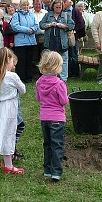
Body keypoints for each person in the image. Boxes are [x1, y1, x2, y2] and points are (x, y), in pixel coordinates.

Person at [0, 47, 26, 174]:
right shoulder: (12, 76)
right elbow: (23, 90)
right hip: (9, 109)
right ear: (8, 60)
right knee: (8, 133)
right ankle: (9, 165)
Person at [36, 50, 69, 181]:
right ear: (57, 67)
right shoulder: (59, 84)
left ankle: (47, 169)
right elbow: (63, 101)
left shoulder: (39, 82)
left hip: (44, 117)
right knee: (57, 145)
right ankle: (56, 171)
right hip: (57, 118)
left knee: (47, 144)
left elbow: (39, 98)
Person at [39, 0, 75, 82]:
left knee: (64, 61)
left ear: (62, 7)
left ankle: (63, 79)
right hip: (50, 42)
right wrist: (49, 25)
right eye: (56, 7)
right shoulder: (48, 15)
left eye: (59, 7)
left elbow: (72, 25)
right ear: (53, 7)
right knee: (50, 60)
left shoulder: (66, 15)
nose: (58, 9)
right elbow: (41, 25)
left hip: (62, 42)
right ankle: (50, 78)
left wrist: (63, 26)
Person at [10, 0, 39, 83]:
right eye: (24, 5)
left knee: (30, 60)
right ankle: (21, 78)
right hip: (20, 42)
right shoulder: (16, 15)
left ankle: (29, 77)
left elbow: (36, 25)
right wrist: (27, 30)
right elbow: (15, 26)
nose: (26, 7)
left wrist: (32, 29)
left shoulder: (31, 14)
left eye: (27, 5)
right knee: (21, 61)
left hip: (31, 41)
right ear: (20, 6)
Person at [64, 0, 85, 78]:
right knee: (67, 55)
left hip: (73, 36)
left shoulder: (75, 11)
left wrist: (75, 30)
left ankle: (75, 73)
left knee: (74, 55)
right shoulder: (63, 11)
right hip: (65, 36)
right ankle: (68, 73)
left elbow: (81, 23)